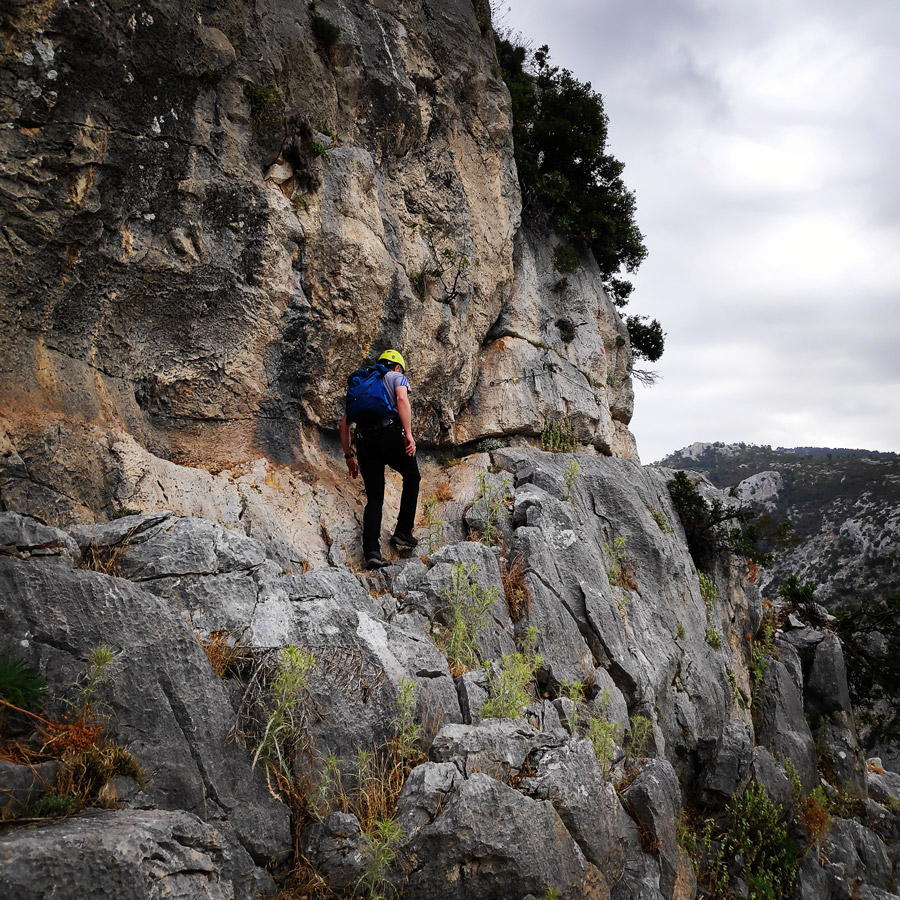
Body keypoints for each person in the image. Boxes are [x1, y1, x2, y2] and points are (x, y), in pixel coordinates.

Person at [339, 349, 420, 569]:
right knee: (412, 477)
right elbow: (402, 399)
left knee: (375, 499)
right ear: (396, 366)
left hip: (364, 441)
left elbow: (344, 423)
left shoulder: (362, 384)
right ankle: (403, 532)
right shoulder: (396, 376)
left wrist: (348, 456)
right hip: (390, 435)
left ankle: (372, 553)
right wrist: (408, 434)